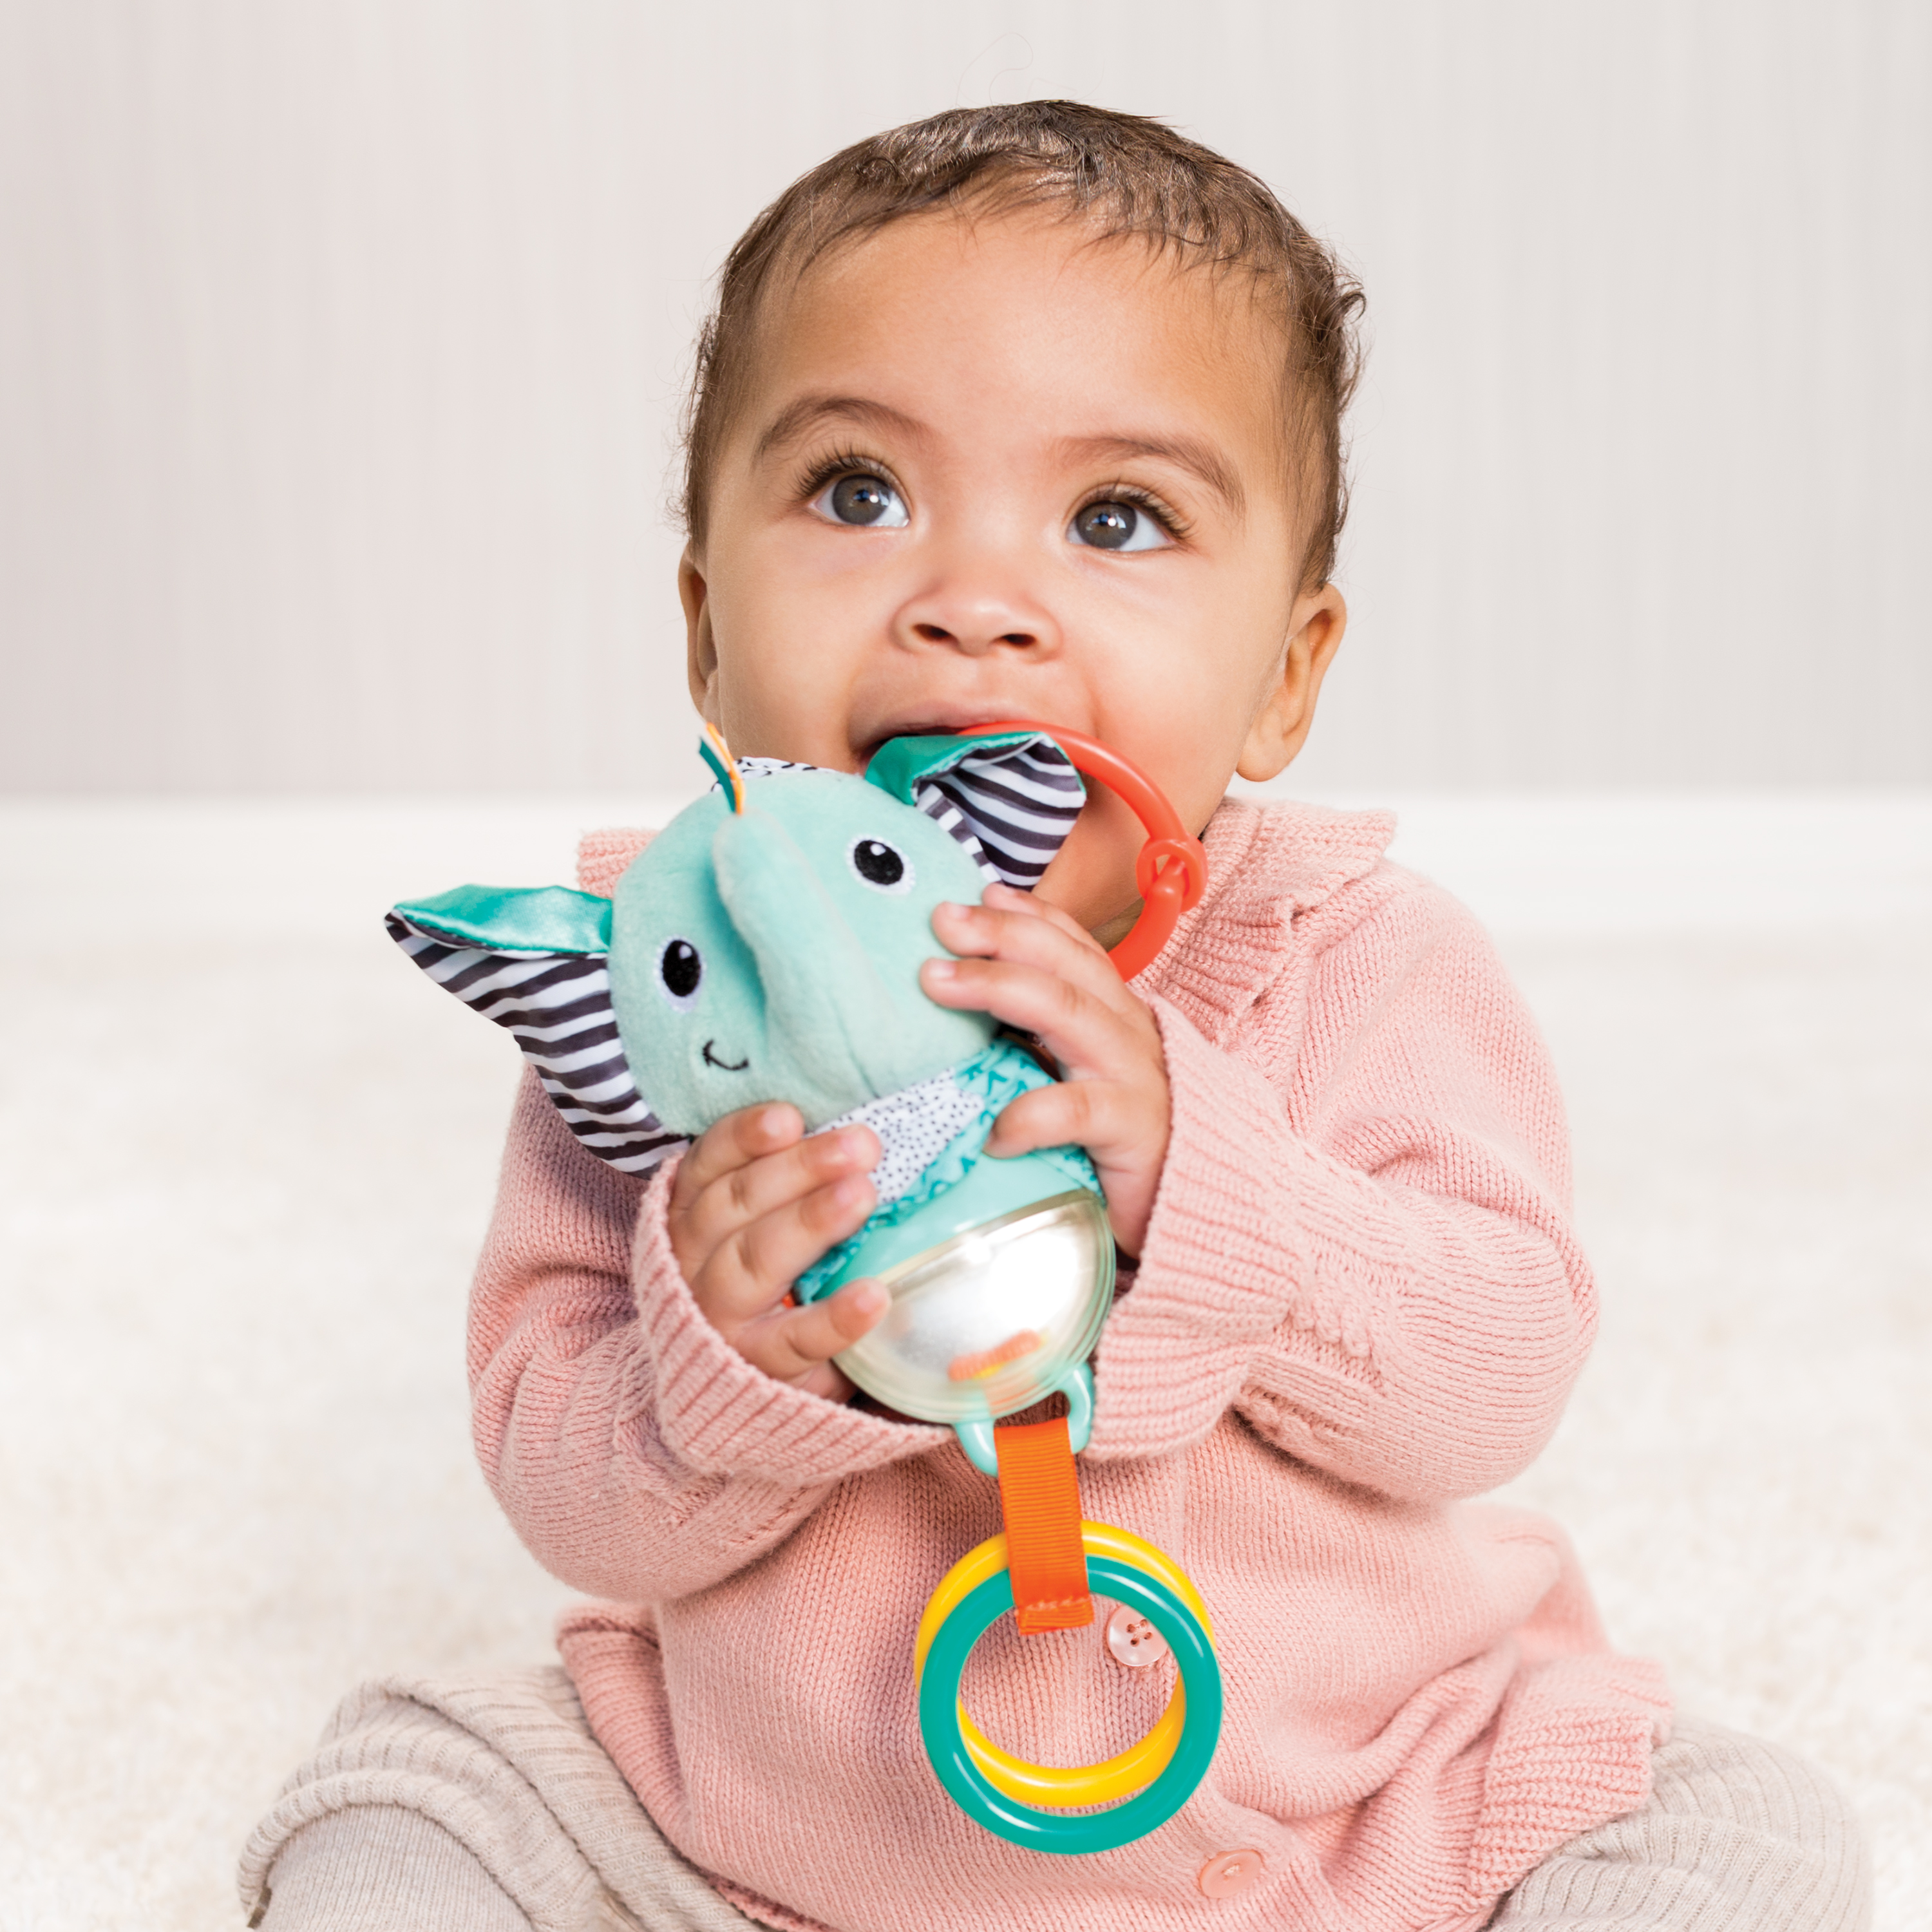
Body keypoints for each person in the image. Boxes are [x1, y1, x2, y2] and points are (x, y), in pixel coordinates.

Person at [242, 102, 1870, 1932]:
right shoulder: (659, 1013)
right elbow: (566, 1489)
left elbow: (1492, 1379)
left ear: (1287, 679)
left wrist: (1211, 1178)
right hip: (774, 1844)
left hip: (1354, 1812)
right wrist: (727, 1359)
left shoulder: (1358, 958)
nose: (975, 607)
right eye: (859, 493)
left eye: (1117, 518)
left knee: (1744, 1834)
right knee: (404, 1811)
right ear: (704, 629)